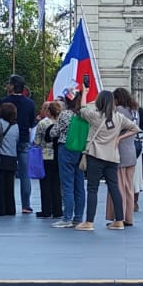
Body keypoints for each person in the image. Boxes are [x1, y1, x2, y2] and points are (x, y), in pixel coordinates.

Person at [69, 85, 136, 231]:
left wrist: (85, 92)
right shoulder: (119, 118)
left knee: (92, 188)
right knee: (114, 188)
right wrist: (119, 138)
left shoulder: (95, 116)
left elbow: (82, 109)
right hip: (112, 157)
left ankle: (89, 222)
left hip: (96, 156)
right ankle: (119, 221)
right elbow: (135, 128)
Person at [2, 75, 37, 215]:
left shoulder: (4, 102)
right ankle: (26, 205)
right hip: (23, 139)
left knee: (6, 173)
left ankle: (6, 203)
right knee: (24, 174)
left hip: (7, 140)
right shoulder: (30, 103)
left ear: (12, 86)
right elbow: (32, 123)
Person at [50, 97, 87, 228]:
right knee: (79, 185)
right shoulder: (85, 114)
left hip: (66, 148)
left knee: (67, 185)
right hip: (80, 149)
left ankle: (67, 218)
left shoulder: (65, 114)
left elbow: (54, 132)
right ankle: (78, 217)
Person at [113, 89, 141, 226]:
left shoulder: (119, 111)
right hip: (131, 150)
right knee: (129, 187)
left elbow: (114, 128)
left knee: (120, 186)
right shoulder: (134, 111)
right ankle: (129, 217)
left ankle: (121, 217)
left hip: (120, 150)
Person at [34, 102, 63, 220]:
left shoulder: (42, 123)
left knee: (45, 183)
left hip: (45, 154)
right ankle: (57, 210)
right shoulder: (62, 123)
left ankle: (46, 210)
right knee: (57, 183)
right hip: (59, 154)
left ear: (48, 111)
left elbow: (36, 141)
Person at [0, 102, 19, 216]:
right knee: (10, 185)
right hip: (12, 157)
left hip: (1, 156)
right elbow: (17, 140)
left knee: (0, 184)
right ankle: (11, 208)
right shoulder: (16, 126)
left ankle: (2, 208)